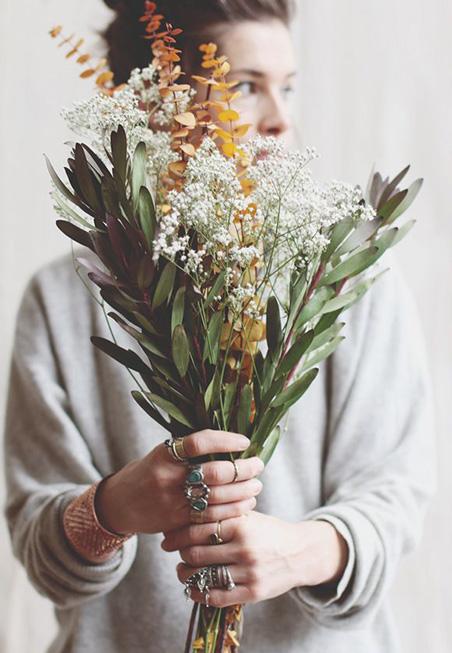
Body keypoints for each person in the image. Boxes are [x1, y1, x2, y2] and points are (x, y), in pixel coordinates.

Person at [3, 1, 436, 652]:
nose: (280, 119)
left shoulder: (348, 279)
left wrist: (297, 551)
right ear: (154, 104)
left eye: (287, 87)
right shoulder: (62, 302)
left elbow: (393, 494)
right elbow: (41, 550)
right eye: (244, 86)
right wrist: (115, 506)